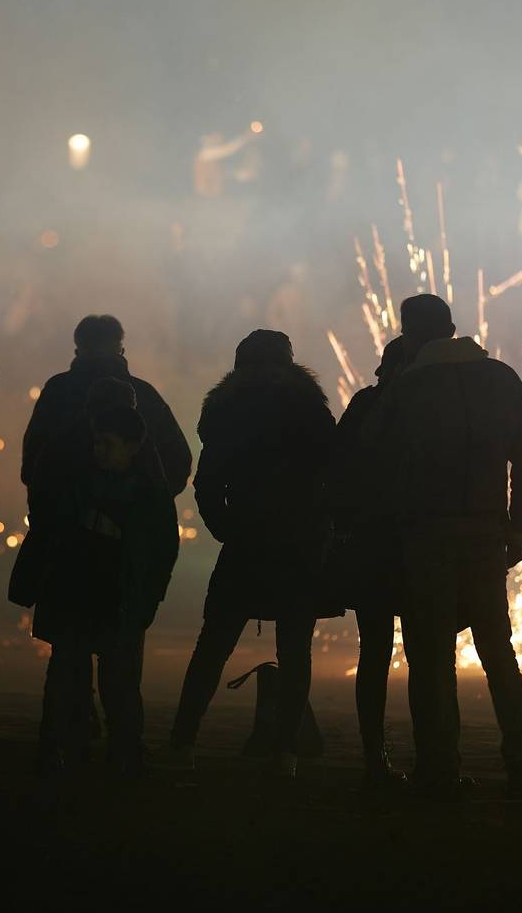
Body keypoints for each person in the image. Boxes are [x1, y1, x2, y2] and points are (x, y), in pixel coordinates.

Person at [366, 294, 522, 800]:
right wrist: (518, 528)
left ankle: (439, 768)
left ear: (410, 336)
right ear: (453, 327)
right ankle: (520, 763)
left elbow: (374, 455)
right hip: (487, 534)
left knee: (430, 656)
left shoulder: (409, 387)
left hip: (425, 536)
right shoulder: (502, 378)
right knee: (497, 649)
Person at [160, 330, 336, 776]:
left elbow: (207, 483)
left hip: (247, 544)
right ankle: (285, 754)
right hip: (299, 545)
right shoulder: (310, 409)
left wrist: (227, 529)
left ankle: (182, 742)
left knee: (212, 646)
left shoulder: (226, 411)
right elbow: (334, 475)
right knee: (295, 650)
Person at [13, 404, 179, 778]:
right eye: (98, 442)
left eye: (107, 443)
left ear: (132, 445)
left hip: (103, 599)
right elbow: (162, 556)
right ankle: (113, 755)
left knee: (91, 683)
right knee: (96, 683)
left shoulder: (125, 492)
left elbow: (160, 557)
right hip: (94, 598)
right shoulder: (147, 494)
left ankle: (75, 751)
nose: (98, 450)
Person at [328, 337, 407, 788]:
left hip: (370, 545)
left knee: (374, 651)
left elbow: (337, 466)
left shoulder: (365, 404)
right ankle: (435, 759)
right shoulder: (421, 406)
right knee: (425, 653)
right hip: (411, 542)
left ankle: (373, 755)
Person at [21, 314, 192, 497]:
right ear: (121, 350)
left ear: (78, 351)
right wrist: (145, 504)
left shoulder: (57, 392)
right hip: (132, 522)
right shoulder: (145, 395)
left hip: (62, 521)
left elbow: (31, 465)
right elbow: (178, 464)